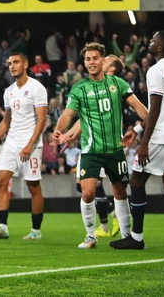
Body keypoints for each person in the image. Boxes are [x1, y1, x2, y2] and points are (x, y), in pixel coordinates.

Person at [54, 42, 148, 249]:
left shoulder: (118, 84)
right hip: (91, 151)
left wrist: (145, 121)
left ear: (102, 60)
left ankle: (126, 235)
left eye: (95, 58)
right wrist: (59, 130)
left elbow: (138, 107)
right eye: (88, 59)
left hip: (115, 150)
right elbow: (68, 115)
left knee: (120, 193)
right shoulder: (79, 88)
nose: (91, 62)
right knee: (87, 193)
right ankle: (90, 236)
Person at [111, 31, 164, 251]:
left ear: (160, 48)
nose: (150, 41)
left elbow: (155, 109)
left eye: (154, 39)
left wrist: (144, 142)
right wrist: (137, 129)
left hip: (161, 134)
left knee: (137, 181)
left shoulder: (156, 70)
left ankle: (136, 237)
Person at [0, 52, 48, 240]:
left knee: (33, 186)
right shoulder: (9, 91)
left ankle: (36, 231)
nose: (12, 66)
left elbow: (42, 120)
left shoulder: (37, 88)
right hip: (11, 143)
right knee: (1, 181)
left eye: (16, 62)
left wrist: (30, 144)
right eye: (10, 63)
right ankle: (2, 227)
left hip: (30, 145)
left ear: (25, 65)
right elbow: (6, 121)